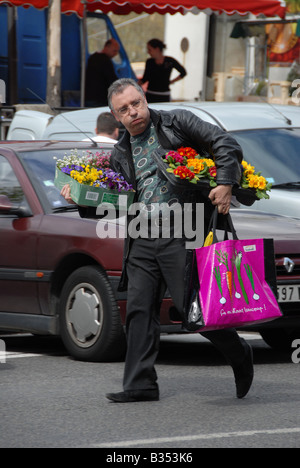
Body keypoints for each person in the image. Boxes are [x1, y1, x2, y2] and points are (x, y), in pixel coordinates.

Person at [61, 78, 254, 403]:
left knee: (195, 310)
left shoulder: (177, 123)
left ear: (144, 98)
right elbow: (113, 207)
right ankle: (140, 384)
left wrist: (225, 182)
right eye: (124, 109)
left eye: (136, 103)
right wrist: (80, 197)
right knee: (138, 311)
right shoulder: (120, 151)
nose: (133, 112)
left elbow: (225, 142)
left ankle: (239, 352)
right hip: (141, 239)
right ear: (115, 115)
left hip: (184, 231)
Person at [139, 38, 187, 103]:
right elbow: (145, 78)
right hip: (151, 94)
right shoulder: (149, 62)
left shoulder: (170, 61)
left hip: (164, 95)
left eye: (150, 50)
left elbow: (183, 72)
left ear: (157, 49)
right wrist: (134, 85)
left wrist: (171, 81)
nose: (148, 52)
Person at [84, 39, 120, 107]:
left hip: (89, 97)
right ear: (107, 47)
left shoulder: (92, 57)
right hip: (99, 99)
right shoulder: (105, 60)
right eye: (114, 51)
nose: (116, 54)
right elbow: (112, 79)